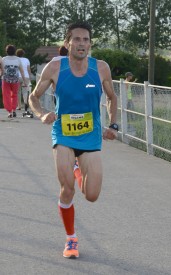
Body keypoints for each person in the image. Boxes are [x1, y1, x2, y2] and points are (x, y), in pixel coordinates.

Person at [29, 21, 118, 259]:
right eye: (77, 39)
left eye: (86, 39)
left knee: (92, 195)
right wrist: (41, 114)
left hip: (90, 136)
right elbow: (33, 97)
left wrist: (114, 124)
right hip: (64, 134)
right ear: (67, 43)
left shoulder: (100, 68)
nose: (82, 44)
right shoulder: (55, 67)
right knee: (67, 189)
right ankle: (71, 239)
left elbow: (111, 97)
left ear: (90, 43)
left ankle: (78, 168)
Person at [1, 44, 27, 118]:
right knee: (14, 95)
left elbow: (2, 70)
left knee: (6, 95)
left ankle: (9, 111)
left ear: (6, 51)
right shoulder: (18, 59)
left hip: (6, 79)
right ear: (14, 51)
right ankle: (14, 110)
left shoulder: (4, 59)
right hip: (15, 80)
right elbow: (22, 71)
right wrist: (25, 81)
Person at [16, 48, 31, 113]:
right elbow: (28, 69)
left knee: (18, 92)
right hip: (26, 76)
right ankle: (26, 104)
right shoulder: (26, 60)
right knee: (25, 92)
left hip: (17, 77)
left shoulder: (16, 60)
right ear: (23, 54)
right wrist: (30, 77)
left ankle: (19, 106)